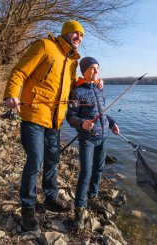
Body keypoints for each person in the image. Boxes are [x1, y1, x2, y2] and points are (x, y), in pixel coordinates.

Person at [3, 20, 103, 231]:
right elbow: (20, 71)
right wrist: (12, 94)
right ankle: (28, 207)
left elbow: (69, 84)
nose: (79, 37)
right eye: (76, 33)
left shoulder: (73, 62)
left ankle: (50, 197)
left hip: (55, 120)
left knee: (53, 160)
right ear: (66, 33)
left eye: (82, 35)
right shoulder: (44, 46)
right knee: (36, 161)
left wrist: (93, 81)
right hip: (34, 115)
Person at [66, 57, 120, 229]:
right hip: (87, 139)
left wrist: (111, 123)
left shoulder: (100, 89)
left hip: (103, 136)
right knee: (85, 173)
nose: (96, 72)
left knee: (99, 168)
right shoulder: (76, 92)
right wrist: (81, 123)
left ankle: (93, 195)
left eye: (97, 68)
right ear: (84, 71)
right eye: (91, 69)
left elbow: (102, 113)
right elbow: (71, 116)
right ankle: (79, 210)